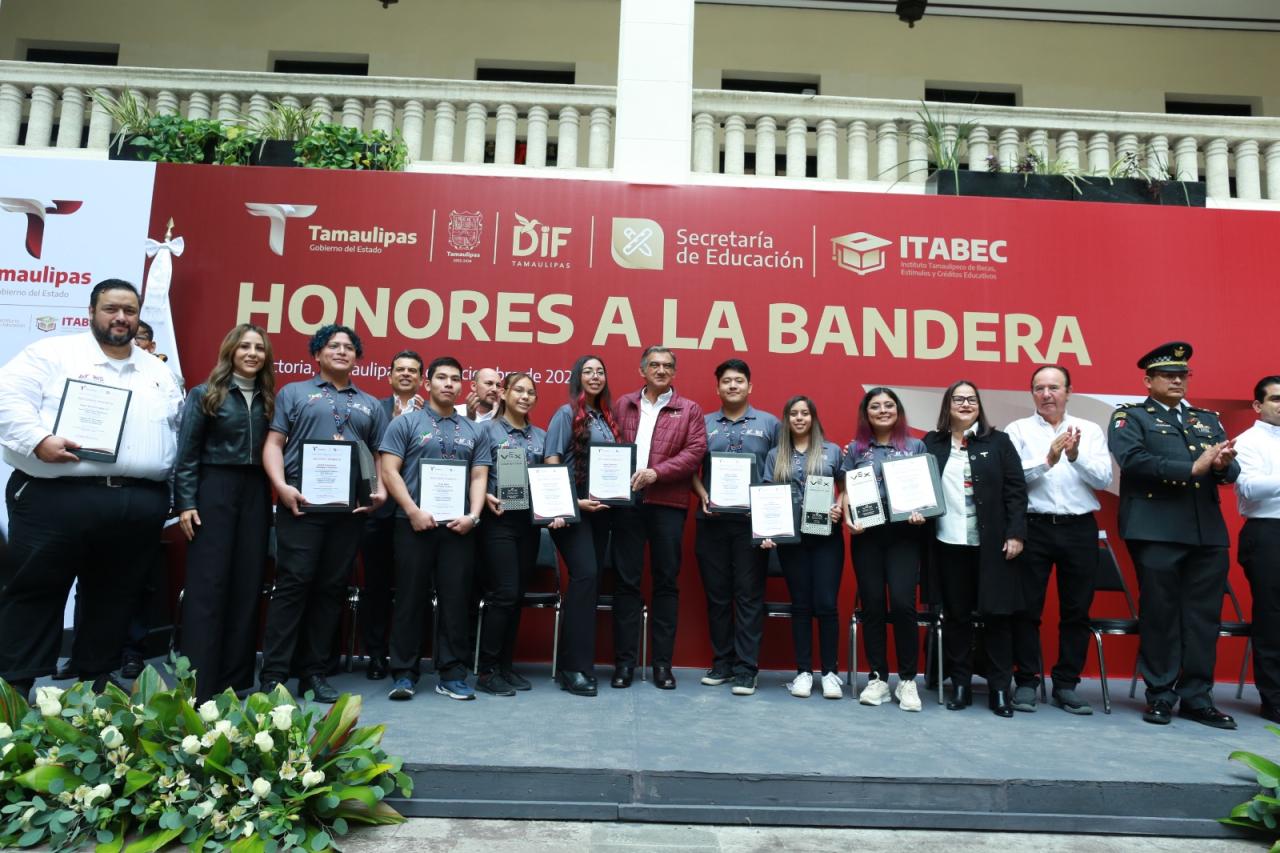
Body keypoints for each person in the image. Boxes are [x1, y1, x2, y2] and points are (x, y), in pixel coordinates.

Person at [0, 279, 183, 697]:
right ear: (91, 311)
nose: (121, 318)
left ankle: (95, 687)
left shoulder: (158, 371)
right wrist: (38, 440)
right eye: (111, 309)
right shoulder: (52, 353)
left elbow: (176, 428)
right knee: (36, 592)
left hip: (137, 502)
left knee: (115, 598)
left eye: (129, 311)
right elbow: (6, 398)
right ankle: (14, 690)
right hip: (56, 498)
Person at [1109, 342, 1239, 728]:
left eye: (1183, 375)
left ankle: (1197, 698)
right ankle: (1161, 695)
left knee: (1203, 619)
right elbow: (1132, 460)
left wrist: (1222, 464)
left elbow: (1229, 473)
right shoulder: (1131, 416)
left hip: (1205, 531)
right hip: (1156, 529)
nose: (1177, 381)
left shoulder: (1206, 419)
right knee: (1161, 615)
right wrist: (1191, 468)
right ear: (1148, 381)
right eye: (1168, 375)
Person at [258, 324, 388, 703]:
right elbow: (274, 444)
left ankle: (314, 673)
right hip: (300, 504)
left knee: (331, 590)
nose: (342, 351)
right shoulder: (294, 393)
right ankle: (274, 675)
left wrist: (379, 489)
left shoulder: (370, 404)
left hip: (349, 510)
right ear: (317, 354)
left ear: (357, 358)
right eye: (333, 345)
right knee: (293, 585)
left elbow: (379, 454)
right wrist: (280, 486)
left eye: (349, 347)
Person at [174, 323, 275, 702]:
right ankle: (199, 682)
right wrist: (186, 502)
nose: (252, 353)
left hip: (255, 492)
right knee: (208, 586)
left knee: (247, 583)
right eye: (245, 346)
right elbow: (186, 454)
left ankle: (235, 680)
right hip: (213, 489)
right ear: (231, 350)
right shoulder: (205, 394)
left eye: (259, 348)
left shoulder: (269, 399)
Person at [380, 356, 490, 702]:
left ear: (461, 386)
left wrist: (473, 516)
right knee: (409, 599)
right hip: (414, 524)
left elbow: (479, 476)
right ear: (427, 384)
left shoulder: (474, 429)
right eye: (441, 377)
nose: (449, 384)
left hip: (458, 528)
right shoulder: (405, 423)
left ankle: (452, 674)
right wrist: (412, 510)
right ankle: (404, 673)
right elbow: (389, 470)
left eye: (455, 379)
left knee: (456, 600)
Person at [1005, 365, 1112, 716]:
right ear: (1032, 393)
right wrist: (1047, 460)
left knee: (1076, 610)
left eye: (1054, 387)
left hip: (1079, 528)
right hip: (1033, 526)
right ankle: (1026, 681)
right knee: (1025, 609)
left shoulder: (1089, 430)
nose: (1047, 394)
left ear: (1068, 391)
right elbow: (1010, 478)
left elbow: (1103, 478)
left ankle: (1066, 685)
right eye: (1039, 388)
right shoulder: (1017, 430)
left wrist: (1075, 457)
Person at [922, 380, 1027, 717]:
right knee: (957, 617)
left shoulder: (999, 442)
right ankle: (961, 685)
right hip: (948, 543)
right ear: (947, 405)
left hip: (993, 545)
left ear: (979, 405)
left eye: (971, 399)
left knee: (997, 617)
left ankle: (1000, 690)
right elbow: (916, 485)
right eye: (958, 399)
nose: (966, 404)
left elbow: (1016, 491)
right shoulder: (931, 443)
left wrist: (1016, 533)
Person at [610, 346, 707, 690]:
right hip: (627, 504)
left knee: (666, 583)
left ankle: (662, 665)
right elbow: (608, 445)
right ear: (643, 370)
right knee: (626, 582)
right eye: (654, 364)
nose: (661, 370)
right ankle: (624, 664)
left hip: (668, 503)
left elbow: (695, 452)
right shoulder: (623, 404)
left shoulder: (690, 409)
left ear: (674, 373)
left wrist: (657, 473)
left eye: (667, 366)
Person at [689, 359, 779, 696]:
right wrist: (703, 495)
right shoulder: (703, 423)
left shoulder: (770, 424)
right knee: (717, 595)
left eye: (739, 380)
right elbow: (689, 466)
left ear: (749, 386)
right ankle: (723, 663)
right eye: (726, 381)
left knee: (748, 595)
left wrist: (769, 513)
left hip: (751, 525)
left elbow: (780, 469)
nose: (732, 386)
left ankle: (746, 668)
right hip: (712, 520)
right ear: (718, 388)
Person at [839, 387, 927, 711]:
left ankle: (907, 680)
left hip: (905, 534)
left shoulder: (915, 446)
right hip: (868, 535)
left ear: (898, 410)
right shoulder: (856, 449)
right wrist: (848, 518)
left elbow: (924, 489)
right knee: (873, 604)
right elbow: (846, 490)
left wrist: (922, 512)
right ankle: (877, 678)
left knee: (903, 604)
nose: (883, 410)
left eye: (889, 405)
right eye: (875, 406)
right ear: (866, 413)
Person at [544, 354, 624, 697]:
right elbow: (551, 461)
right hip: (572, 510)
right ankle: (572, 669)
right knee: (586, 576)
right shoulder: (565, 414)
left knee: (589, 586)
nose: (595, 376)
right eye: (588, 371)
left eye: (600, 371)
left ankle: (578, 665)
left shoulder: (606, 418)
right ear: (577, 378)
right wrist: (573, 503)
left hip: (601, 512)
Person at [762, 396, 845, 699]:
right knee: (800, 604)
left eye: (805, 413)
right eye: (793, 414)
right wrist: (767, 531)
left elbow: (846, 488)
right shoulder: (776, 455)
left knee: (826, 604)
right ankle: (804, 672)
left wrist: (839, 506)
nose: (799, 418)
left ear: (813, 418)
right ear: (786, 420)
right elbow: (768, 495)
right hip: (791, 540)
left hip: (826, 538)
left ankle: (831, 673)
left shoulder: (831, 451)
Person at [476, 372, 548, 696]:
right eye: (518, 390)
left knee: (516, 594)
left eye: (530, 392)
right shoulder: (486, 431)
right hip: (498, 522)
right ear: (503, 393)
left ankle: (505, 666)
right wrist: (483, 496)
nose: (525, 396)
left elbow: (550, 478)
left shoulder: (541, 437)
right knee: (503, 593)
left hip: (529, 524)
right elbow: (473, 473)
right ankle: (487, 670)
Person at [358, 350, 425, 681]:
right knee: (377, 587)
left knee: (413, 589)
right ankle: (375, 654)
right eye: (400, 369)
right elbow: (366, 453)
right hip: (380, 513)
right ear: (389, 376)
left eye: (413, 370)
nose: (406, 374)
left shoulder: (433, 415)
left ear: (422, 379)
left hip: (417, 514)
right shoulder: (374, 409)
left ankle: (408, 658)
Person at [1235, 375, 1280, 722]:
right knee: (1273, 618)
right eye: (1276, 399)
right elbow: (1249, 488)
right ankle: (1274, 699)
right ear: (1257, 405)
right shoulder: (1247, 441)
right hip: (1268, 533)